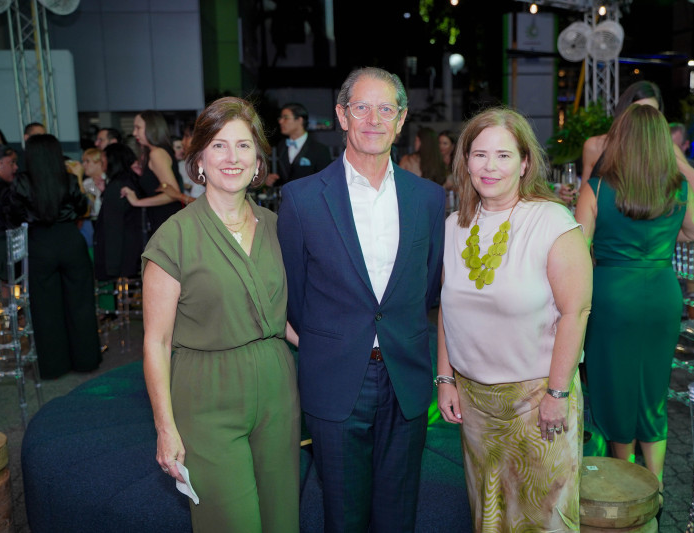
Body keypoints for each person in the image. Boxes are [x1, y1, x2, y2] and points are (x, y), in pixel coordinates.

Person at [277, 67, 445, 533]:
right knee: (343, 514)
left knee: (398, 514)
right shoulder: (301, 198)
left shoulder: (429, 200)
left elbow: (427, 288)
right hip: (335, 379)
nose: (373, 118)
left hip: (405, 377)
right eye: (361, 107)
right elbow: (293, 293)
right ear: (342, 116)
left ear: (401, 118)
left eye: (385, 108)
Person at [142, 97, 300, 532]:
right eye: (219, 146)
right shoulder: (172, 238)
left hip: (277, 389)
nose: (232, 158)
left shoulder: (277, 226)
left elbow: (283, 315)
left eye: (244, 146)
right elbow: (155, 342)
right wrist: (165, 428)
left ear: (258, 162)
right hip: (206, 394)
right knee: (230, 522)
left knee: (282, 518)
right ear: (199, 162)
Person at [436, 107, 592, 531]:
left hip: (537, 403)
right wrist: (445, 378)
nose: (490, 167)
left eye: (503, 156)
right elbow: (448, 310)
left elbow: (575, 312)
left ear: (525, 163)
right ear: (465, 161)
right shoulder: (453, 226)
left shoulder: (552, 222)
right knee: (489, 516)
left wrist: (557, 394)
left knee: (543, 519)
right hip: (475, 405)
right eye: (480, 154)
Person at [574, 104, 694, 509]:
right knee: (652, 392)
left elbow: (578, 247)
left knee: (614, 389)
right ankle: (657, 487)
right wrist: (663, 240)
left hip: (613, 296)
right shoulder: (677, 188)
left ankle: (626, 485)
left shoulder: (597, 187)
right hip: (662, 294)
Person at [8, 134, 102, 379]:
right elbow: (83, 207)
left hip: (39, 245)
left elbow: (14, 214)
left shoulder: (22, 182)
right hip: (70, 240)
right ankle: (86, 360)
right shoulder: (69, 179)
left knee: (45, 308)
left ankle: (53, 367)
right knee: (80, 304)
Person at [573, 81, 694, 205]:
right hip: (603, 238)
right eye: (638, 110)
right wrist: (568, 197)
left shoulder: (665, 149)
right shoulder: (595, 146)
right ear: (624, 110)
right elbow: (582, 199)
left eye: (651, 112)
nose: (644, 118)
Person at [120, 110, 188, 237]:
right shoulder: (156, 152)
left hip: (167, 224)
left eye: (138, 128)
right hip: (165, 222)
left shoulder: (156, 153)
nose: (134, 133)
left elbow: (172, 194)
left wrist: (137, 202)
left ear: (152, 128)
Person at [94, 143, 143, 280]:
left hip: (121, 251)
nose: (101, 164)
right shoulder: (130, 180)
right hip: (132, 246)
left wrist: (112, 265)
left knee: (123, 290)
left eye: (103, 160)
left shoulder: (117, 185)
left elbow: (113, 227)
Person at [265, 102, 332, 186]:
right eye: (280, 118)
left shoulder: (320, 150)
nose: (280, 121)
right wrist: (270, 179)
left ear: (299, 120)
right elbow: (284, 177)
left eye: (285, 118)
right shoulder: (281, 146)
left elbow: (326, 181)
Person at [0, 144, 17, 279]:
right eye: (11, 163)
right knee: (8, 292)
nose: (15, 167)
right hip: (1, 250)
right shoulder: (5, 190)